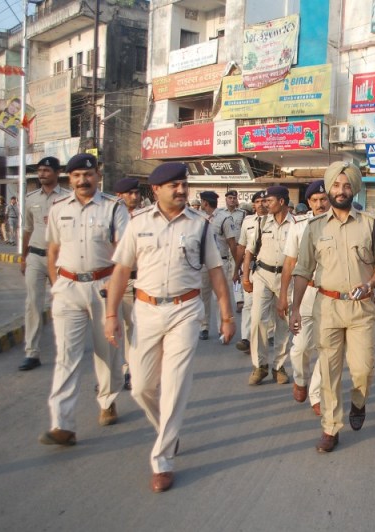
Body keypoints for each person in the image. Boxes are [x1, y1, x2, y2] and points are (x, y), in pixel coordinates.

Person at [104, 162, 236, 493]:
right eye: (173, 185)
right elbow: (121, 271)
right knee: (141, 387)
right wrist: (110, 315)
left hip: (186, 310)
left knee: (175, 383)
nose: (180, 190)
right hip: (146, 310)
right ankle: (168, 431)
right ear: (156, 190)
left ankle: (162, 459)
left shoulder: (200, 225)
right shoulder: (137, 224)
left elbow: (216, 270)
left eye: (183, 184)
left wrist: (226, 314)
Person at [290, 161, 375, 453]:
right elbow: (302, 270)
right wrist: (295, 309)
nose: (341, 190)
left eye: (347, 185)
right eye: (336, 185)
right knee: (329, 370)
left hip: (362, 309)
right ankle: (330, 427)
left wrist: (371, 283)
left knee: (362, 369)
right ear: (329, 187)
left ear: (354, 189)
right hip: (327, 308)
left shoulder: (370, 225)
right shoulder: (314, 228)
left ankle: (358, 403)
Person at [38, 153, 129, 447]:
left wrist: (117, 290)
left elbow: (124, 255)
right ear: (69, 178)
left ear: (97, 176)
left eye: (88, 175)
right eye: (76, 176)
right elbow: (52, 250)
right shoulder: (58, 208)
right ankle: (62, 424)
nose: (82, 180)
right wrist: (57, 285)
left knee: (108, 351)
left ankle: (107, 399)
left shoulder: (114, 208)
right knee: (66, 356)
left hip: (104, 285)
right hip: (68, 287)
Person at [277, 181, 330, 414]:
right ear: (309, 202)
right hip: (305, 292)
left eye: (324, 199)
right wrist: (283, 296)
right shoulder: (298, 227)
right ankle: (300, 379)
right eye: (315, 200)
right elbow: (289, 262)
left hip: (331, 293)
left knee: (327, 348)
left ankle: (317, 395)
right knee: (300, 349)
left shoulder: (340, 223)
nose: (320, 204)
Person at [18, 157, 70, 371]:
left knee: (64, 304)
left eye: (46, 170)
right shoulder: (31, 199)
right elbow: (27, 229)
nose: (42, 174)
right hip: (36, 257)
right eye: (39, 170)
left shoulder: (67, 199)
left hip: (60, 259)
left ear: (57, 173)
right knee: (33, 304)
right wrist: (23, 256)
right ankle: (32, 352)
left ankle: (67, 350)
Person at [242, 186, 293, 386]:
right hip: (262, 275)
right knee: (257, 321)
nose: (264, 204)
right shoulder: (262, 222)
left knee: (283, 323)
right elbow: (249, 251)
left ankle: (279, 367)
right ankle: (259, 366)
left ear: (281, 202)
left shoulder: (296, 224)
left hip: (286, 278)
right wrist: (246, 277)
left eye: (269, 200)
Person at [112, 177, 142, 390]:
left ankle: (130, 370)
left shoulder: (146, 218)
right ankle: (111, 374)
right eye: (129, 193)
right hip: (113, 280)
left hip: (138, 278)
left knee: (133, 327)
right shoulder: (110, 217)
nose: (134, 197)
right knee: (113, 328)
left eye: (136, 192)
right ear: (119, 196)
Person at [198, 191, 238, 340]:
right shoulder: (199, 219)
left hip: (221, 262)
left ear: (205, 203)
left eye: (202, 202)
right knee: (204, 296)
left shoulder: (224, 219)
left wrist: (236, 266)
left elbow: (232, 244)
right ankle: (204, 327)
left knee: (220, 297)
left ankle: (223, 327)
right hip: (203, 264)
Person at [234, 191, 265, 353]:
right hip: (250, 269)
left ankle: (262, 338)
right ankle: (246, 338)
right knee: (248, 304)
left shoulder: (276, 221)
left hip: (270, 271)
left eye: (263, 201)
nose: (260, 204)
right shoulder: (248, 222)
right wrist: (236, 270)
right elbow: (241, 247)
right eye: (257, 201)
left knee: (265, 308)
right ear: (253, 204)